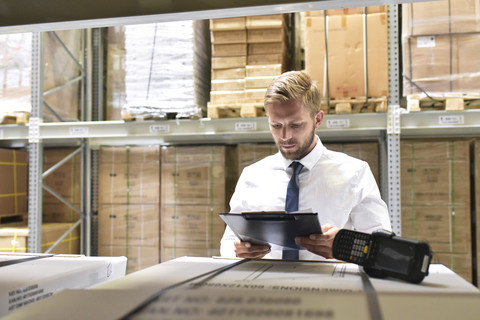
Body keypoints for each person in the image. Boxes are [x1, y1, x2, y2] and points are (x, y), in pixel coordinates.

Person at [220, 70, 391, 260]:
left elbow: (384, 247)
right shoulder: (252, 176)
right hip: (266, 287)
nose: (285, 137)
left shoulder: (355, 173)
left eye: (296, 125)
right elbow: (228, 242)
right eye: (276, 126)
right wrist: (237, 250)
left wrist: (345, 245)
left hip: (327, 287)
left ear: (317, 120)